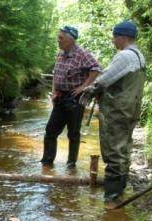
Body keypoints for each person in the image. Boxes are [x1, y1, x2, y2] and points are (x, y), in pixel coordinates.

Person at [81, 20, 146, 209]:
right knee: (124, 149)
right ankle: (120, 192)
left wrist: (89, 90)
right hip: (130, 109)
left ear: (123, 37)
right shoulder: (139, 56)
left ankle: (112, 199)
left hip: (117, 111)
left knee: (113, 151)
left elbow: (103, 80)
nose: (112, 40)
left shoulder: (125, 56)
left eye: (114, 36)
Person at [41, 26, 101, 169]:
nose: (58, 40)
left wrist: (83, 87)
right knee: (50, 131)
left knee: (73, 133)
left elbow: (96, 69)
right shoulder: (61, 53)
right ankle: (47, 163)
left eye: (61, 37)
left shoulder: (82, 54)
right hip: (60, 97)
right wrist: (54, 90)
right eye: (59, 37)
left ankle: (71, 164)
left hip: (75, 99)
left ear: (71, 39)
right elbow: (56, 74)